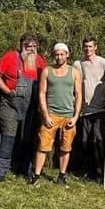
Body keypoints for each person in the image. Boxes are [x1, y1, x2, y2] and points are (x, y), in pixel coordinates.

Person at [0, 32, 46, 181]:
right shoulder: (11, 57)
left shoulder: (39, 61)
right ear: (21, 46)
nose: (31, 49)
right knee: (8, 137)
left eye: (34, 46)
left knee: (27, 138)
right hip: (10, 105)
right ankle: (0, 171)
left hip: (30, 107)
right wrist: (7, 90)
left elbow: (45, 80)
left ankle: (24, 169)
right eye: (28, 46)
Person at [29, 42, 82, 187]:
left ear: (67, 55)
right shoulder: (47, 71)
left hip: (68, 115)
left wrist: (75, 117)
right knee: (43, 145)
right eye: (56, 54)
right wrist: (45, 115)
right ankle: (36, 175)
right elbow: (42, 93)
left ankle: (62, 175)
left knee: (66, 147)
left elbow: (78, 95)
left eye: (62, 54)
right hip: (51, 114)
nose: (59, 57)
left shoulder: (74, 72)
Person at [73, 35, 105, 180]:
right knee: (85, 142)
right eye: (85, 46)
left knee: (100, 141)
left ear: (95, 47)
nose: (88, 49)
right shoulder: (78, 64)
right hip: (84, 110)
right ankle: (91, 171)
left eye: (90, 46)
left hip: (100, 108)